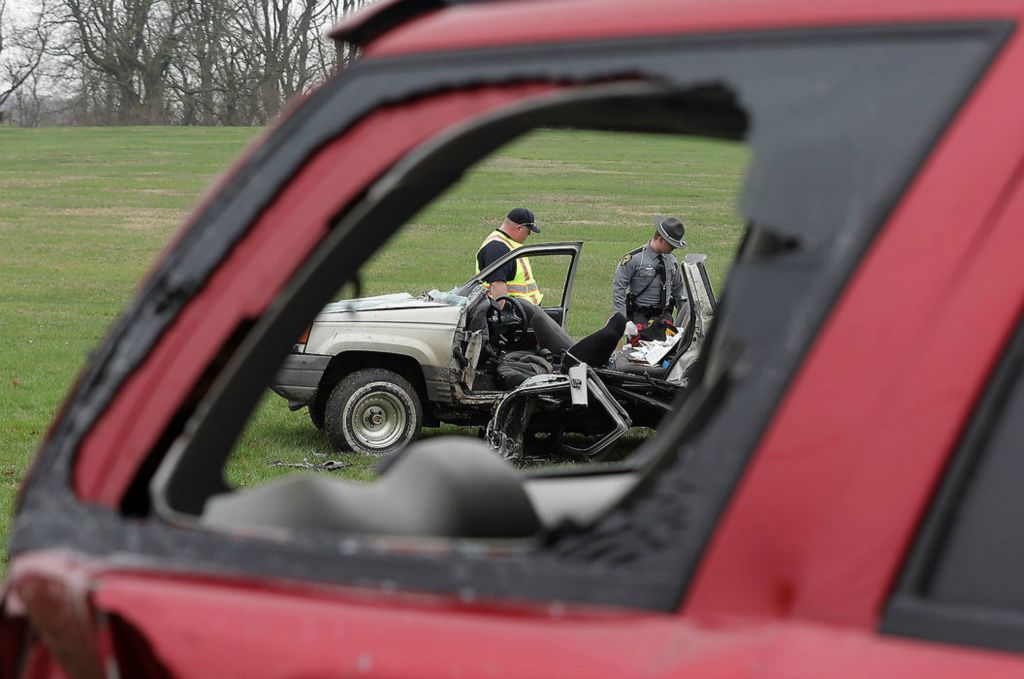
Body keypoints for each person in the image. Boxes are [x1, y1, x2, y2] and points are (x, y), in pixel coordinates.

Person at [611, 215, 688, 341]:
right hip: (640, 320)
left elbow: (679, 291)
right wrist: (623, 322)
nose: (674, 248)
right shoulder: (634, 259)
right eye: (671, 244)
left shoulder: (672, 261)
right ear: (661, 239)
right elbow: (618, 288)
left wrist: (684, 321)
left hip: (665, 320)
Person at [476, 208, 543, 306]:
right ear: (519, 228)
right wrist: (501, 316)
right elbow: (497, 286)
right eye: (528, 231)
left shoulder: (509, 243)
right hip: (513, 313)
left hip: (525, 310)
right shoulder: (497, 248)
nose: (528, 235)